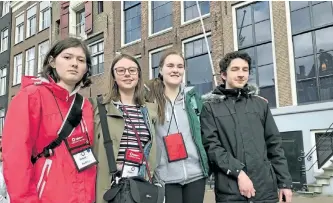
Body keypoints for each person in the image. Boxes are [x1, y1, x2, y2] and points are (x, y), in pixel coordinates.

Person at [2, 37, 96, 203]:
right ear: (52, 62)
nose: (74, 63)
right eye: (67, 57)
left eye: (81, 60)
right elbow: (16, 159)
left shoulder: (86, 106)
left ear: (86, 69)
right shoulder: (31, 97)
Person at [200, 51, 293, 203]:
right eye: (235, 69)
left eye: (245, 69)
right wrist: (239, 173)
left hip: (265, 191)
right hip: (230, 192)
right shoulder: (210, 108)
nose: (241, 74)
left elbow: (274, 145)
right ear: (223, 75)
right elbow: (212, 147)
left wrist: (285, 183)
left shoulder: (261, 104)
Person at [91, 53, 158, 203]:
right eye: (121, 70)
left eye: (132, 70)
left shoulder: (149, 110)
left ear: (139, 75)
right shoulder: (99, 107)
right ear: (113, 76)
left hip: (140, 185)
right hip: (111, 186)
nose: (127, 74)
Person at [145, 50, 209, 203]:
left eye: (180, 66)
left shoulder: (193, 99)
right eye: (170, 65)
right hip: (165, 177)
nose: (175, 70)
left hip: (196, 175)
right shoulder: (149, 101)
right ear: (161, 70)